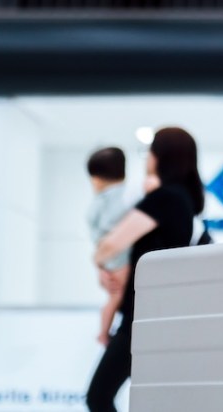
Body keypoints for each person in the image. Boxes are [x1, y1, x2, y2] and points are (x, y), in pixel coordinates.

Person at [85, 127, 202, 412]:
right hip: (156, 313)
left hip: (143, 317)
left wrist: (100, 261)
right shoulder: (183, 200)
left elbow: (110, 245)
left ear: (161, 157)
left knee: (98, 396)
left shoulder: (166, 199)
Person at [85, 147, 132, 347]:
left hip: (110, 256)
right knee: (116, 295)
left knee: (113, 296)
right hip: (118, 256)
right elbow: (114, 231)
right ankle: (104, 334)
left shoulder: (102, 200)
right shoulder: (121, 197)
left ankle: (103, 332)